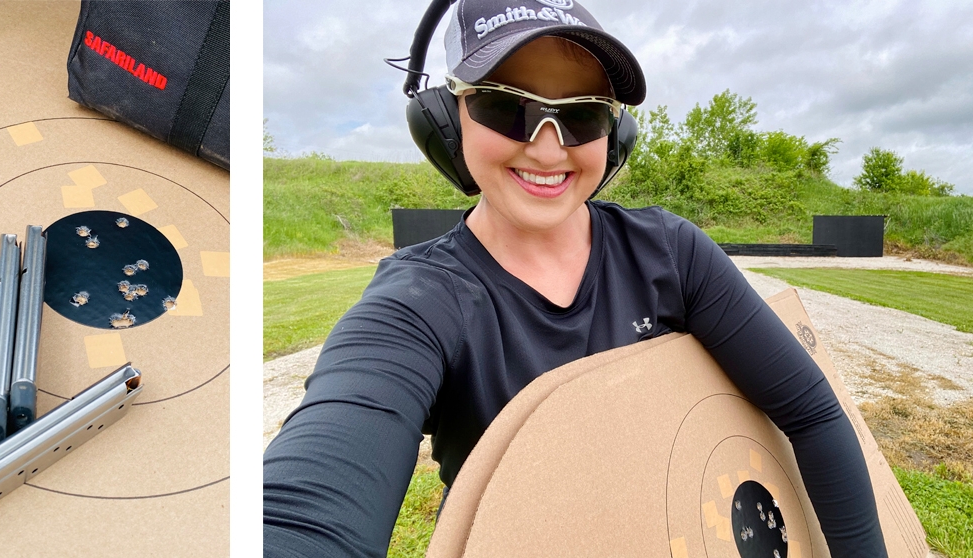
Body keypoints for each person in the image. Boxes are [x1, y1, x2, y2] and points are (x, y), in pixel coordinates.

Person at [264, 1, 888, 556]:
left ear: (613, 136)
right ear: (446, 118)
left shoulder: (669, 252)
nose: (546, 147)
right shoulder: (418, 301)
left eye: (582, 115)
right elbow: (308, 509)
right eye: (506, 106)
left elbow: (812, 413)